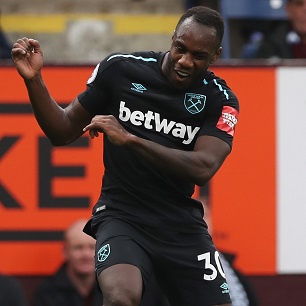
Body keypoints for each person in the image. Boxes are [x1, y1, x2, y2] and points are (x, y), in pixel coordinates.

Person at [12, 6, 239, 306]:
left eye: (199, 56)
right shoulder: (121, 69)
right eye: (180, 49)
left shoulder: (221, 100)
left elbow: (203, 167)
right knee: (120, 298)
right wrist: (34, 80)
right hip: (121, 215)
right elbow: (62, 131)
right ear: (172, 39)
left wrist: (130, 139)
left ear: (215, 56)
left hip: (180, 225)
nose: (184, 61)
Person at [33, 219, 103, 306]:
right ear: (65, 252)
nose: (86, 254)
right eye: (78, 248)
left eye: (92, 247)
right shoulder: (46, 293)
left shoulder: (111, 288)